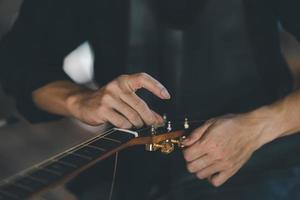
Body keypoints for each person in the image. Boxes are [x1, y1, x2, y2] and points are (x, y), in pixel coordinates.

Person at [1, 0, 300, 199]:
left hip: (264, 154)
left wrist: (260, 126)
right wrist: (77, 99)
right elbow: (20, 57)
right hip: (132, 167)